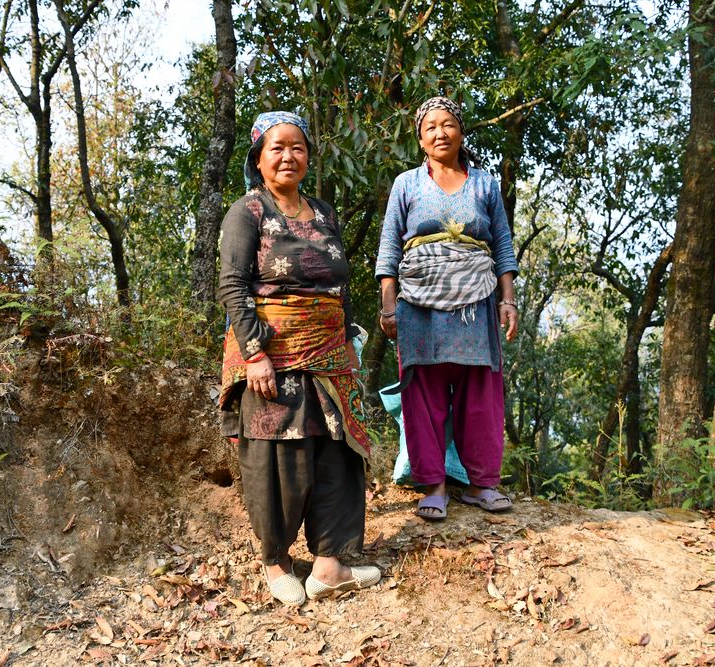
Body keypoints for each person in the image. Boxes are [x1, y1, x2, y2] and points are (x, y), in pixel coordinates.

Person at [217, 111, 380, 605]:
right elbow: (232, 284)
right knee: (279, 458)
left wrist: (349, 336)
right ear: (259, 159)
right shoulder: (247, 212)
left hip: (330, 354)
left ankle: (330, 566)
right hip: (273, 354)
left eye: (298, 147)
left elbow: (339, 283)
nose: (289, 156)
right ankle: (277, 563)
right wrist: (254, 354)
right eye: (277, 148)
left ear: (309, 156)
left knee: (338, 452)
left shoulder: (325, 213)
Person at [374, 96, 519, 521]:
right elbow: (389, 249)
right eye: (430, 127)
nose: (440, 133)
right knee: (424, 393)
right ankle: (432, 485)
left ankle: (481, 484)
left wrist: (506, 300)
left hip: (477, 296)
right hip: (418, 301)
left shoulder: (485, 185)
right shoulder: (406, 184)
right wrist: (387, 307)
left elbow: (503, 246)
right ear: (420, 139)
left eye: (448, 124)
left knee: (480, 393)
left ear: (461, 131)